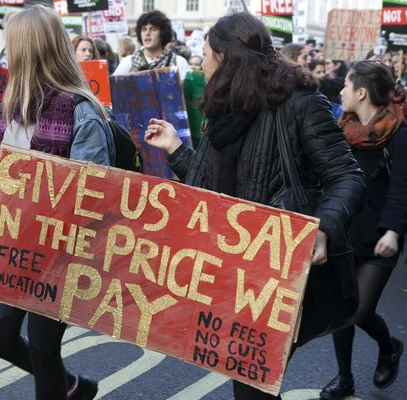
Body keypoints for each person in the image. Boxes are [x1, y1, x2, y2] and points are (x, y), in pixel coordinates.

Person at [143, 12, 365, 400]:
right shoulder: (223, 106)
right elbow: (209, 181)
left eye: (207, 54)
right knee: (247, 382)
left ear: (228, 59)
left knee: (250, 385)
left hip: (277, 272)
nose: (201, 62)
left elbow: (347, 176)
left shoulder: (299, 103)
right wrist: (176, 150)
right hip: (230, 271)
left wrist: (324, 227)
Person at [0, 6, 114, 399]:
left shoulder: (81, 112)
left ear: (29, 50)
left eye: (12, 45)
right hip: (12, 245)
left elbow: (97, 198)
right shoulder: (8, 109)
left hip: (61, 251)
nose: (6, 53)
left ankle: (61, 388)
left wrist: (30, 189)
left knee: (42, 347)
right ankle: (72, 386)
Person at [320, 61, 406, 400]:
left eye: (345, 85)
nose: (340, 91)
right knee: (341, 308)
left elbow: (402, 188)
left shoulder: (400, 135)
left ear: (361, 93)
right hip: (345, 231)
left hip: (382, 237)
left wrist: (393, 231)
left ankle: (389, 347)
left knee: (359, 310)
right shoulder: (342, 131)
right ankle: (344, 380)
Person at [113, 10, 191, 80]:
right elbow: (114, 89)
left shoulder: (178, 62)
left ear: (162, 33)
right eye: (144, 29)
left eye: (153, 29)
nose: (147, 33)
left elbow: (190, 91)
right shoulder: (128, 62)